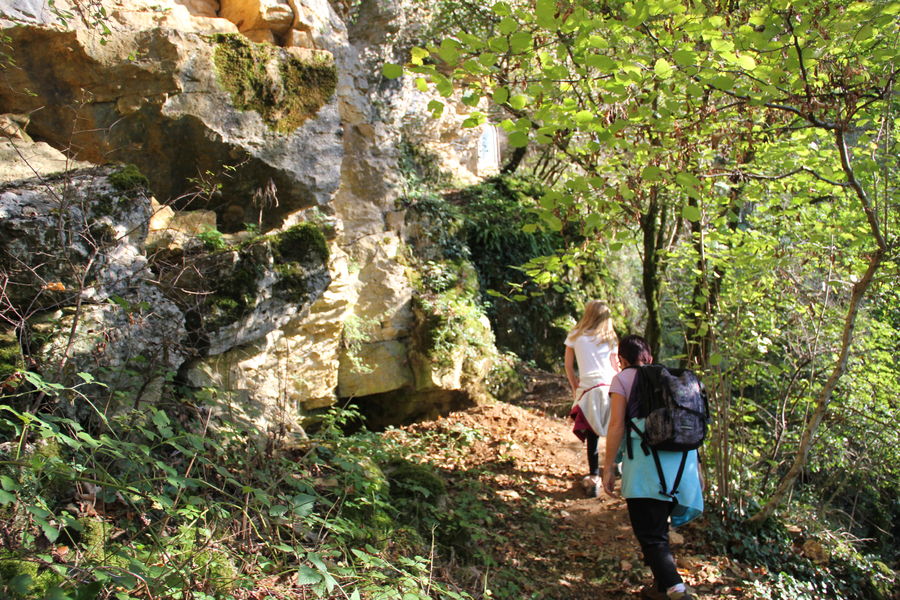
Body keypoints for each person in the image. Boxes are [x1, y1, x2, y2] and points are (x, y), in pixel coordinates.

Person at [601, 335, 703, 600]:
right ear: (649, 357)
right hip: (684, 466)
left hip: (647, 469)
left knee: (650, 534)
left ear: (622, 360)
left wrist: (609, 466)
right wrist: (699, 469)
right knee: (658, 530)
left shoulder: (622, 379)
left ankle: (675, 589)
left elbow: (616, 426)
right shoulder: (674, 379)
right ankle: (659, 590)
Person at [565, 300, 619, 498]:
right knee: (615, 427)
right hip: (610, 388)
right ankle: (616, 464)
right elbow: (616, 367)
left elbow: (569, 366)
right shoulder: (611, 338)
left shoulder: (575, 335)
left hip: (589, 389)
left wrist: (575, 387)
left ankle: (594, 475)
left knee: (592, 434)